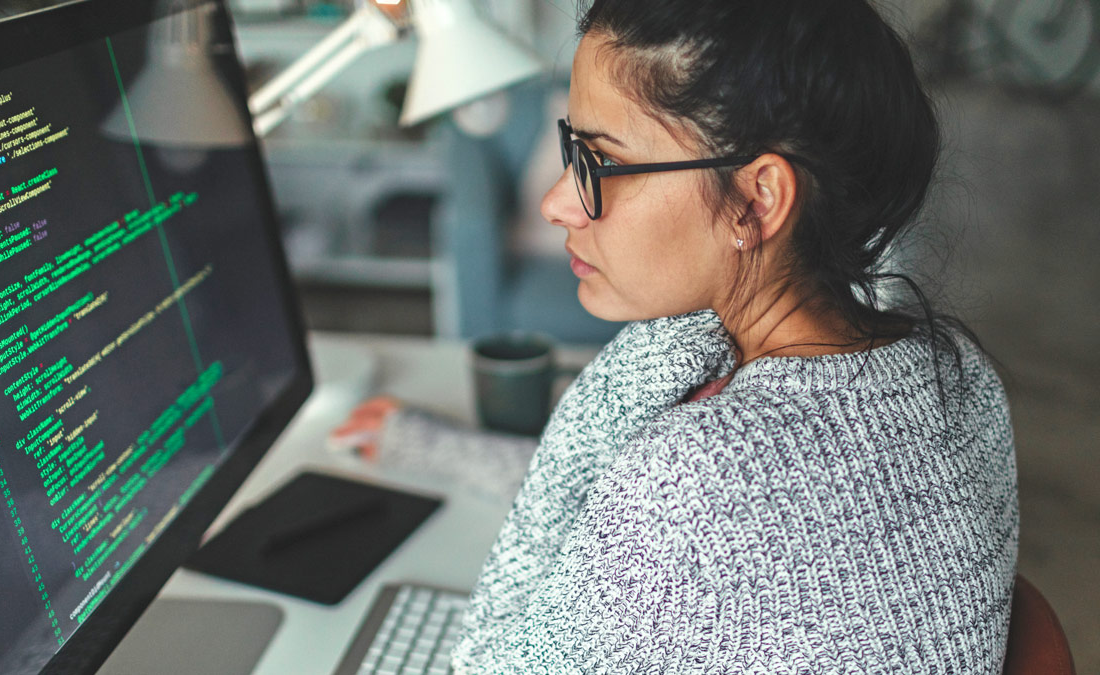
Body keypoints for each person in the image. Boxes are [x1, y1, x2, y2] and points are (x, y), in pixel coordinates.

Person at [334, 0, 1018, 672]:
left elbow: (487, 660)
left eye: (599, 163)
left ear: (758, 199)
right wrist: (431, 447)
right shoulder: (960, 377)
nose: (556, 202)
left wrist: (637, 357)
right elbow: (631, 528)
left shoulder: (697, 467)